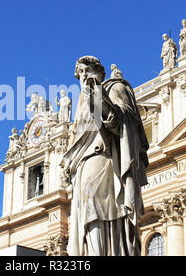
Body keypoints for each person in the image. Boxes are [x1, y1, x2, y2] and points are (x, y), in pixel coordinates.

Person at [61, 56, 149, 256]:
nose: (84, 76)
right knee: (86, 216)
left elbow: (122, 121)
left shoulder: (114, 88)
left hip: (105, 160)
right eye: (80, 73)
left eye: (87, 70)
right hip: (82, 168)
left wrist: (97, 98)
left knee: (96, 208)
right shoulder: (81, 103)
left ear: (100, 72)